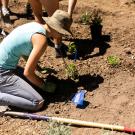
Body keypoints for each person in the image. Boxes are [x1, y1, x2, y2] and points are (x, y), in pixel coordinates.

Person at [0, 10, 72, 112]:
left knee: (33, 83)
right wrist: (44, 86)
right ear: (57, 29)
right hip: (2, 72)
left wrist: (38, 68)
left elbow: (24, 50)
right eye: (62, 33)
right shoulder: (41, 40)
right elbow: (28, 73)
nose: (62, 36)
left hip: (6, 66)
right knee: (37, 102)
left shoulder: (35, 26)